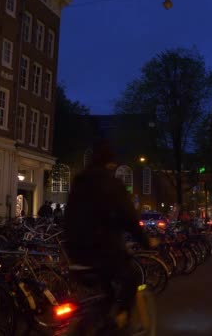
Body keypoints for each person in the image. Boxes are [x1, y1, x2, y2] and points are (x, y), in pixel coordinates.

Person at [64, 139, 155, 330]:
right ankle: (120, 319)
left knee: (107, 294)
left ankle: (96, 321)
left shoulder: (79, 182)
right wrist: (146, 242)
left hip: (76, 253)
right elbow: (129, 218)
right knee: (131, 278)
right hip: (104, 252)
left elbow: (69, 217)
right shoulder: (111, 184)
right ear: (110, 163)